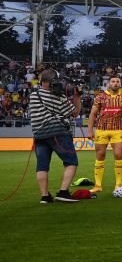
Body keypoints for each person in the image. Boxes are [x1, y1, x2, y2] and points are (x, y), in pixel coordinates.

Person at [28, 69, 81, 204]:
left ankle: (45, 196)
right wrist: (77, 97)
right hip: (57, 132)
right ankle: (63, 192)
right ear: (53, 82)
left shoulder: (34, 95)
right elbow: (74, 112)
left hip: (39, 134)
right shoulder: (59, 97)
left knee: (42, 166)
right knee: (71, 161)